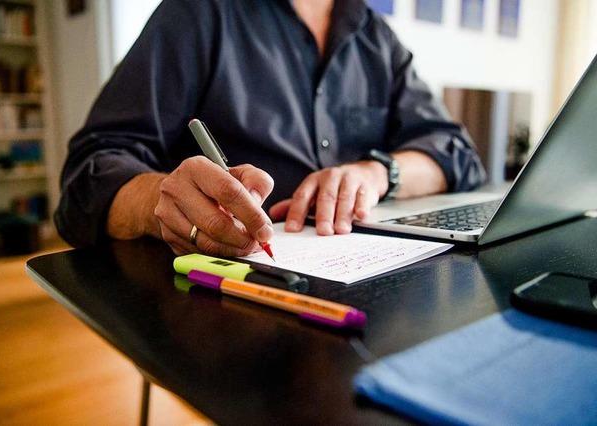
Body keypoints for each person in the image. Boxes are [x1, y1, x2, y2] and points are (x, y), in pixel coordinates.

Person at [55, 0, 486, 257]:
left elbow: (456, 152)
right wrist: (160, 199)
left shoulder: (378, 39)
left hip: (372, 283)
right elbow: (89, 172)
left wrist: (377, 174)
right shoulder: (200, 12)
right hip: (231, 302)